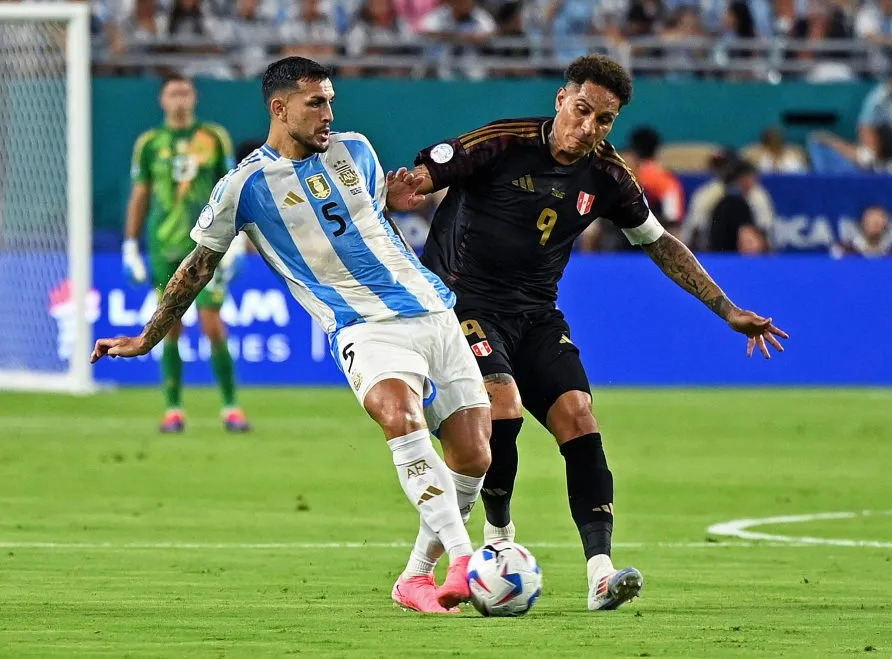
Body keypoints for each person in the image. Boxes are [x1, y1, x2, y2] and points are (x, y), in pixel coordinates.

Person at [387, 54, 789, 611]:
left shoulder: (607, 175)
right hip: (463, 305)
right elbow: (421, 178)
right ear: (561, 100)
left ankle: (600, 572)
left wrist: (726, 309)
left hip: (536, 313)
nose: (589, 127)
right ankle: (499, 537)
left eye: (604, 119)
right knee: (502, 404)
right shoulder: (502, 142)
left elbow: (658, 242)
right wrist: (407, 190)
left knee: (578, 415)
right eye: (582, 110)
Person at [95, 57, 491, 614]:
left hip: (433, 312)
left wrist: (395, 198)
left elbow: (367, 217)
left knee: (473, 456)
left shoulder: (357, 149)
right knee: (399, 416)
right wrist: (148, 336)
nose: (329, 113)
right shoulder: (244, 185)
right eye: (316, 103)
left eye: (331, 101)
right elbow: (197, 267)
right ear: (280, 109)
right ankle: (465, 558)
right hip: (362, 327)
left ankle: (416, 577)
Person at [122, 73, 251, 434]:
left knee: (212, 323)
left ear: (194, 98)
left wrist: (238, 240)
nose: (179, 99)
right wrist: (130, 244)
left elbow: (231, 189)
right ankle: (173, 409)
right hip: (164, 246)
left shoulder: (213, 137)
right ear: (162, 100)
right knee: (169, 326)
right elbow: (140, 194)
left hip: (207, 247)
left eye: (184, 92)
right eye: (172, 93)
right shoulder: (150, 143)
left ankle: (231, 406)